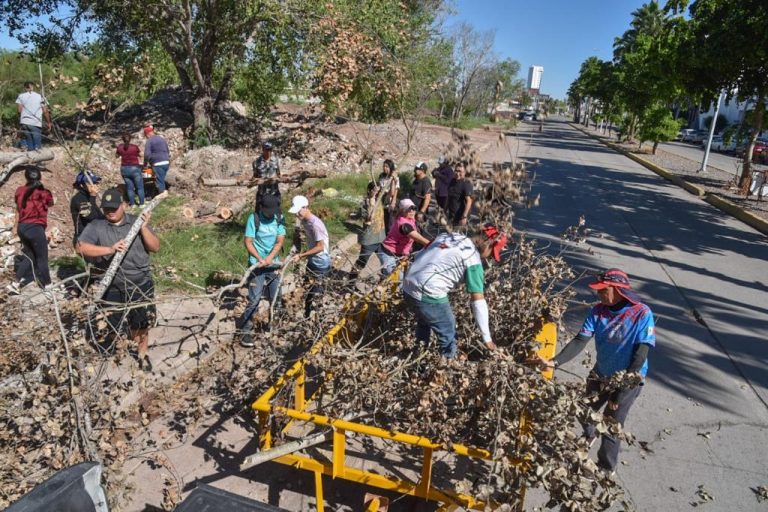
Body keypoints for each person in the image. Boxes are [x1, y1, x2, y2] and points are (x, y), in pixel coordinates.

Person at [535, 269, 656, 475]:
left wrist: (619, 391)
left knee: (611, 424)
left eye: (603, 290)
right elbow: (580, 340)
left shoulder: (641, 314)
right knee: (583, 407)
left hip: (628, 380)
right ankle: (590, 435)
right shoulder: (598, 311)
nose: (599, 295)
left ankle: (605, 468)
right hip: (600, 373)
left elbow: (640, 355)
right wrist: (555, 362)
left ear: (618, 290)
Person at [77, 188, 161, 371]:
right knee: (112, 323)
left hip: (140, 283)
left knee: (141, 323)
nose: (111, 212)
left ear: (123, 205)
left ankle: (142, 353)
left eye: (114, 207)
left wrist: (144, 228)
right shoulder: (96, 226)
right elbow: (81, 248)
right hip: (112, 287)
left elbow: (155, 247)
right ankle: (116, 353)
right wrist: (110, 250)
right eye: (107, 209)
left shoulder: (136, 222)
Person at [402, 225, 507, 358]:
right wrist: (487, 339)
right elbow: (478, 301)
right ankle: (445, 367)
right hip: (427, 290)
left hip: (407, 284)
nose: (489, 258)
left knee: (425, 319)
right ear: (488, 243)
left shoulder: (451, 236)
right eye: (492, 253)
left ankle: (418, 355)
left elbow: (425, 251)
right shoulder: (472, 260)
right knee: (448, 330)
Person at [237, 194, 286, 347]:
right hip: (257, 265)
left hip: (273, 263)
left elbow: (280, 241)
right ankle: (245, 331)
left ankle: (273, 323)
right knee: (254, 299)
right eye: (269, 210)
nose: (272, 213)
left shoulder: (279, 217)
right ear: (262, 208)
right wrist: (259, 259)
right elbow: (248, 242)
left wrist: (270, 258)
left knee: (276, 296)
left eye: (274, 210)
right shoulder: (254, 219)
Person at [7, 167, 54, 294]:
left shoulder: (19, 190)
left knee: (30, 256)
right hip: (35, 228)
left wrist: (15, 227)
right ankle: (48, 285)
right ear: (40, 177)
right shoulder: (45, 193)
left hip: (22, 227)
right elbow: (51, 203)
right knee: (42, 258)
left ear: (26, 177)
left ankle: (15, 283)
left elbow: (18, 205)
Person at [288, 195, 331, 318]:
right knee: (309, 290)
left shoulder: (315, 225)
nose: (297, 215)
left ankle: (316, 320)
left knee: (316, 295)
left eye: (298, 212)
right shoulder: (305, 221)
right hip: (313, 261)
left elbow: (320, 247)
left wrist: (301, 255)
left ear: (306, 208)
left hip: (320, 264)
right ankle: (307, 317)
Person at [377, 198, 431, 276]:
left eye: (414, 208)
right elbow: (418, 238)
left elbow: (420, 218)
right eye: (409, 209)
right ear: (403, 210)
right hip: (388, 253)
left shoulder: (410, 218)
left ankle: (384, 278)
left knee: (396, 279)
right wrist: (433, 244)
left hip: (400, 254)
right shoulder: (403, 224)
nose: (412, 211)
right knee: (398, 280)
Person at [350, 182, 386, 279]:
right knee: (362, 262)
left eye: (379, 190)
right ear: (369, 191)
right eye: (375, 190)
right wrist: (371, 203)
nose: (377, 192)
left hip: (381, 238)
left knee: (386, 262)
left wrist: (394, 179)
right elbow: (367, 218)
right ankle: (351, 280)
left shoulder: (380, 200)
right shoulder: (365, 204)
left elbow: (391, 193)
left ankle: (383, 282)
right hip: (369, 240)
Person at [70, 170, 104, 246]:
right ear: (82, 185)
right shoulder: (79, 199)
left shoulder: (88, 197)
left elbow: (101, 217)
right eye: (91, 183)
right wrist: (92, 197)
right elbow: (92, 218)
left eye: (95, 182)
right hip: (84, 240)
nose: (94, 185)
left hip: (94, 237)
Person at [16, 81, 52, 151]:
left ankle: (31, 158)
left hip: (25, 122)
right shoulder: (40, 96)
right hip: (35, 123)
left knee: (30, 146)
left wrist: (20, 121)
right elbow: (45, 111)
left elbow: (19, 110)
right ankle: (37, 160)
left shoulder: (21, 96)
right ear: (33, 87)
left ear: (25, 88)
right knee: (37, 146)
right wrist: (49, 122)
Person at [116, 133, 144, 206]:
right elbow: (140, 155)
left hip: (124, 169)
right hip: (135, 168)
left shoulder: (119, 147)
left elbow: (116, 156)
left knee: (129, 188)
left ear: (123, 139)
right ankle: (141, 204)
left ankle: (132, 204)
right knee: (140, 187)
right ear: (130, 139)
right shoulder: (134, 147)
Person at [142, 125, 170, 195]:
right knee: (161, 178)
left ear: (147, 134)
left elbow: (147, 154)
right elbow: (167, 150)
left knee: (159, 181)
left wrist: (145, 164)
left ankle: (161, 197)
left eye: (145, 135)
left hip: (157, 163)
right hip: (166, 162)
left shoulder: (149, 141)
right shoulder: (161, 138)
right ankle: (160, 192)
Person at [252, 141, 281, 207]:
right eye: (267, 150)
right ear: (263, 150)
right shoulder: (256, 162)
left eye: (270, 150)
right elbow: (255, 176)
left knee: (276, 213)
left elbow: (279, 174)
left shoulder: (276, 160)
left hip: (274, 192)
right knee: (259, 213)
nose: (269, 152)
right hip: (262, 193)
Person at [445, 162, 474, 227]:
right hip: (451, 216)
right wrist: (444, 210)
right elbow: (448, 197)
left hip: (460, 217)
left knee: (459, 236)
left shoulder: (466, 184)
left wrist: (464, 217)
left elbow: (469, 201)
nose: (457, 173)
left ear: (465, 172)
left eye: (460, 171)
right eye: (456, 171)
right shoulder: (452, 181)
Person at [378, 159, 399, 231]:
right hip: (382, 199)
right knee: (384, 221)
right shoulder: (381, 176)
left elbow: (395, 190)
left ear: (390, 167)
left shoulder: (395, 177)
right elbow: (380, 187)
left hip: (390, 200)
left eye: (387, 166)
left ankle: (391, 238)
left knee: (391, 222)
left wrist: (393, 201)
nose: (384, 168)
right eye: (383, 166)